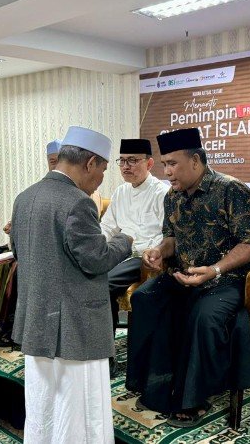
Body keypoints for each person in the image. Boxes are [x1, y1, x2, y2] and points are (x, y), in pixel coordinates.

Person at [126, 127, 250, 428]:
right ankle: (155, 383)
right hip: (185, 275)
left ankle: (192, 399)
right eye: (164, 164)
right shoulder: (172, 197)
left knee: (203, 316)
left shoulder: (232, 190)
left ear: (195, 161)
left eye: (172, 164)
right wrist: (159, 251)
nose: (167, 172)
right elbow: (171, 238)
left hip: (228, 279)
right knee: (143, 298)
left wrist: (215, 269)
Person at [10, 126, 133, 444]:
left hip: (38, 321)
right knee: (79, 410)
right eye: (103, 169)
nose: (102, 179)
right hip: (75, 328)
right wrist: (124, 241)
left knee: (43, 404)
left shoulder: (25, 197)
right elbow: (96, 259)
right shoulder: (78, 202)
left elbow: (19, 252)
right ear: (90, 163)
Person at [100, 138, 168, 377]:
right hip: (118, 252)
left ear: (149, 163)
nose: (126, 166)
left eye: (132, 161)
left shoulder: (161, 192)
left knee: (103, 284)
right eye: (122, 161)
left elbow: (167, 235)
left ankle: (106, 358)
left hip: (143, 257)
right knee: (87, 276)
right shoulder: (121, 192)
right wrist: (96, 247)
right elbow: (107, 227)